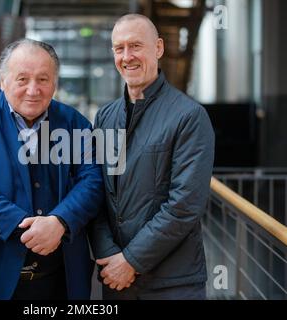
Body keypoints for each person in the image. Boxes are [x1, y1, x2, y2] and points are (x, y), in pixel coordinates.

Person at [0, 39, 104, 300]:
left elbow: (93, 180)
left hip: (56, 281)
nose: (33, 90)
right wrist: (26, 226)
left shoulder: (75, 123)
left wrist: (59, 222)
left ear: (55, 83)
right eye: (22, 79)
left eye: (43, 79)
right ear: (3, 81)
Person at [90, 13, 215, 300]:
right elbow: (95, 192)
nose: (127, 56)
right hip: (116, 279)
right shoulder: (105, 117)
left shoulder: (189, 116)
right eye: (119, 48)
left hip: (172, 283)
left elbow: (183, 206)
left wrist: (131, 260)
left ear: (158, 48)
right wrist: (109, 254)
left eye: (135, 46)